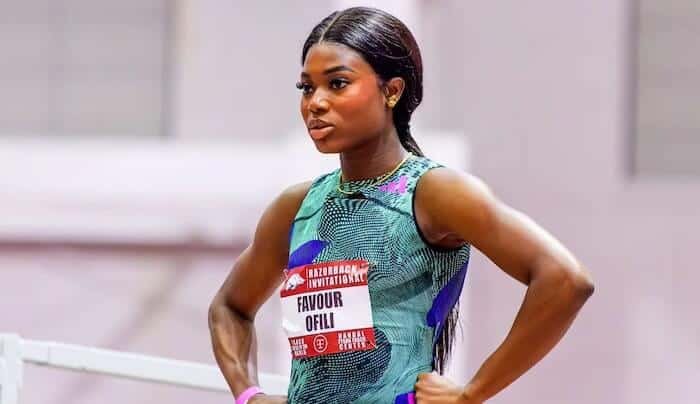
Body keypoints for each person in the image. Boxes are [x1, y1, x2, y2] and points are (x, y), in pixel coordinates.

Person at [208, 7, 594, 404]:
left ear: (391, 91)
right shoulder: (297, 207)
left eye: (337, 83)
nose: (316, 103)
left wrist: (472, 393)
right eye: (307, 88)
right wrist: (249, 395)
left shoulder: (434, 193)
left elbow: (565, 280)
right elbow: (230, 307)